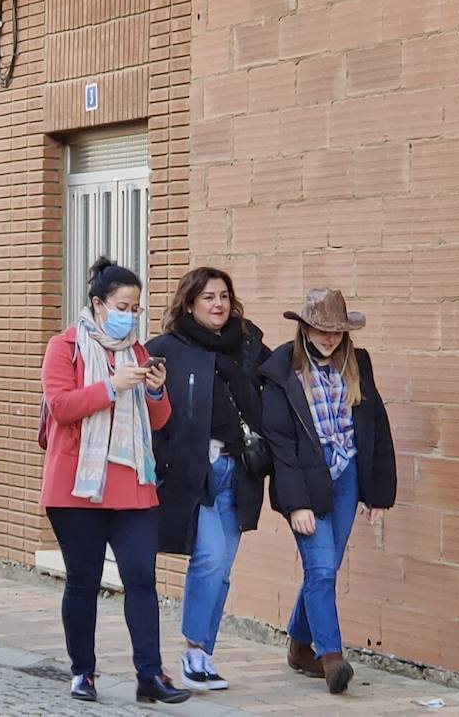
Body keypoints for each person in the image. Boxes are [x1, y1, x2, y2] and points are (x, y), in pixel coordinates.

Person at [39, 256, 188, 706]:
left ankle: (151, 675)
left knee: (142, 579)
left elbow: (158, 420)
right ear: (98, 304)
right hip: (76, 489)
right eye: (124, 305)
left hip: (133, 486)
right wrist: (111, 386)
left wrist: (156, 390)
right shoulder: (64, 347)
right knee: (82, 582)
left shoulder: (139, 353)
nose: (131, 314)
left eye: (137, 307)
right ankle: (83, 672)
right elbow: (62, 407)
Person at [259, 288, 397, 695]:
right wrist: (295, 502)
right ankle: (331, 657)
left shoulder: (357, 363)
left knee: (326, 568)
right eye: (320, 328)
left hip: (347, 476)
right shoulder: (280, 369)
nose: (328, 337)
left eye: (336, 330)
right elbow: (280, 444)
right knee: (319, 569)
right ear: (304, 326)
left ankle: (300, 645)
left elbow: (376, 428)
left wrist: (378, 494)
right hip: (305, 477)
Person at [147, 267, 271, 692]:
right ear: (189, 303)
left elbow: (280, 385)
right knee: (211, 559)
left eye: (223, 296)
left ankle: (202, 655)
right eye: (207, 298)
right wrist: (168, 458)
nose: (217, 304)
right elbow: (147, 411)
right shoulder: (165, 348)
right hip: (195, 472)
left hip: (240, 469)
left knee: (221, 567)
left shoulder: (248, 343)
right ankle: (194, 651)